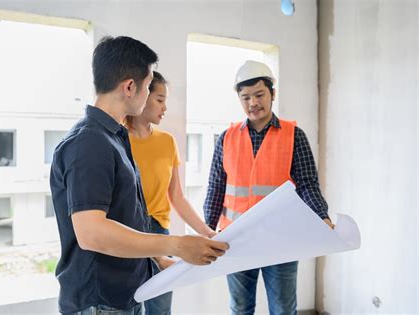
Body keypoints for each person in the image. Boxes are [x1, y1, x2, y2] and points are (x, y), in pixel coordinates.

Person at [50, 36, 229, 315]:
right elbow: (92, 233)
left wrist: (158, 259)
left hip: (123, 294)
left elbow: (125, 216)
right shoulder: (89, 142)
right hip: (101, 301)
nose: (149, 96)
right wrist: (177, 245)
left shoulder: (114, 138)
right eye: (148, 87)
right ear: (130, 87)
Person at [203, 60, 334, 315]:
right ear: (239, 99)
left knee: (283, 309)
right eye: (246, 97)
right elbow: (216, 187)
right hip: (236, 240)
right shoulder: (226, 138)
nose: (253, 103)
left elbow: (307, 185)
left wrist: (322, 217)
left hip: (280, 240)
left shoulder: (294, 136)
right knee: (240, 309)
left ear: (272, 93)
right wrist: (206, 230)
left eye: (259, 95)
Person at [126, 71, 216, 315]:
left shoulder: (167, 142)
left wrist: (207, 232)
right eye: (159, 99)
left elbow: (177, 197)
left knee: (161, 309)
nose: (164, 107)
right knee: (127, 306)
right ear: (142, 96)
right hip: (127, 232)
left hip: (159, 231)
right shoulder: (118, 138)